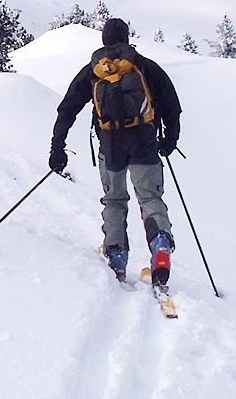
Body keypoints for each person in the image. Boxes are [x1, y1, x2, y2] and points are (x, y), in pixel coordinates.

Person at [48, 18, 182, 286]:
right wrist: (169, 139)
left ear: (104, 40)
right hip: (144, 141)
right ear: (126, 38)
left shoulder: (94, 70)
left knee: (115, 200)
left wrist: (57, 146)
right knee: (150, 198)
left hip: (110, 145)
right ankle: (161, 246)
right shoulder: (144, 66)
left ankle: (117, 258)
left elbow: (67, 108)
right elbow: (171, 104)